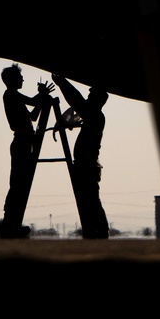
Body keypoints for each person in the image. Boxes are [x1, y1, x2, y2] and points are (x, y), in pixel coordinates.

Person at [51, 72, 109, 239]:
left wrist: (62, 83)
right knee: (89, 200)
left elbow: (76, 101)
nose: (88, 97)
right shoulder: (94, 116)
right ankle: (96, 231)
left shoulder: (95, 116)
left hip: (87, 166)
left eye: (91, 95)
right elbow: (79, 104)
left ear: (98, 99)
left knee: (90, 200)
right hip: (85, 164)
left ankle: (98, 231)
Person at [0, 64, 54, 238]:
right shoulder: (11, 95)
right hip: (21, 143)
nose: (23, 79)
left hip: (23, 143)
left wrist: (42, 98)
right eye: (20, 77)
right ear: (13, 80)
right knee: (17, 185)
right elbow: (32, 101)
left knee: (19, 185)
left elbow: (33, 115)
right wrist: (43, 95)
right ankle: (10, 224)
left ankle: (12, 224)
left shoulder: (14, 97)